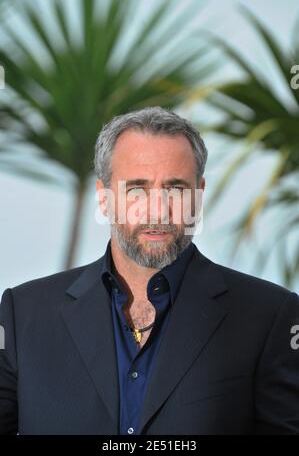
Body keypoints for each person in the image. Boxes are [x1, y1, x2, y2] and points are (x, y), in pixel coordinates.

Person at [0, 106, 298, 435]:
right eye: (137, 189)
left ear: (198, 196)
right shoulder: (22, 314)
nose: (158, 210)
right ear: (104, 198)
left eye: (175, 190)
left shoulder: (269, 317)